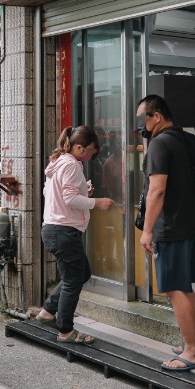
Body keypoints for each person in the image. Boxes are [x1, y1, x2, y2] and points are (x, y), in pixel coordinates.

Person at [137, 95, 195, 372]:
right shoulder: (185, 138)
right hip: (193, 224)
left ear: (157, 116)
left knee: (176, 289)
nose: (142, 124)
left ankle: (193, 351)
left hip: (172, 226)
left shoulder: (160, 143)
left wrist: (147, 231)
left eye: (144, 118)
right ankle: (190, 342)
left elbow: (157, 190)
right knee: (184, 286)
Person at [35, 126, 115, 344]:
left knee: (81, 273)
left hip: (54, 228)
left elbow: (54, 194)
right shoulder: (70, 164)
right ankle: (66, 331)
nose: (91, 156)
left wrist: (83, 193)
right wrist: (96, 202)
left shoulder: (58, 162)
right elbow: (69, 199)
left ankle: (48, 311)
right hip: (64, 231)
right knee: (73, 280)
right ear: (79, 147)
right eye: (90, 151)